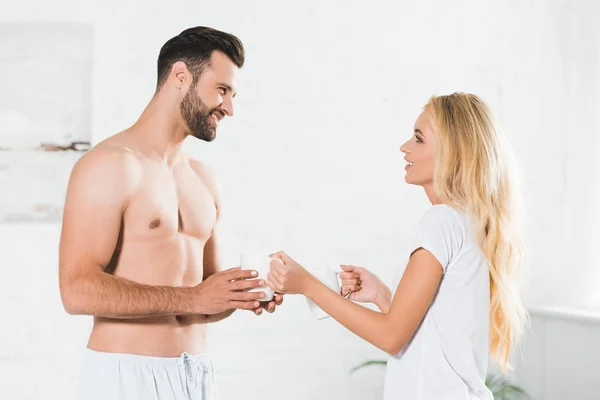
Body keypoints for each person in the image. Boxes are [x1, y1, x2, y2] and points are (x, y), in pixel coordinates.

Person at [58, 26, 283, 400]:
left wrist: (240, 294)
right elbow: (76, 290)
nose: (229, 107)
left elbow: (207, 299)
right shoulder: (109, 165)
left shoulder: (204, 180)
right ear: (181, 76)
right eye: (222, 90)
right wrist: (194, 299)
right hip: (125, 375)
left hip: (196, 374)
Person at [267, 93, 527, 400]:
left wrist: (307, 284)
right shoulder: (468, 222)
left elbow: (391, 337)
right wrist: (382, 296)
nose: (405, 147)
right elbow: (432, 336)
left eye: (418, 139)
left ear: (453, 152)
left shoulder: (441, 221)